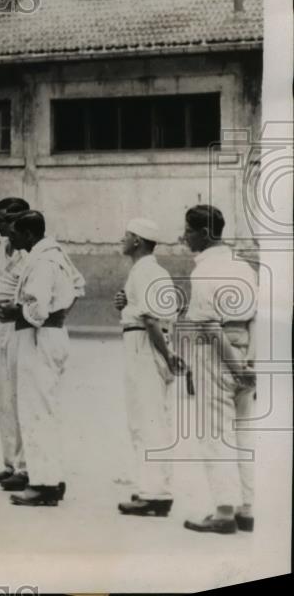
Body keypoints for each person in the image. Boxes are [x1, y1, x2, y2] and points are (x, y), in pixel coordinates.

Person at [0, 210, 85, 507]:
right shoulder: (56, 255)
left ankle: (42, 484)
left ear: (30, 234)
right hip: (51, 337)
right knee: (45, 410)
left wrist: (15, 312)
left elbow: (36, 310)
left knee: (35, 411)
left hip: (39, 338)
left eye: (16, 233)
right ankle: (51, 479)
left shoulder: (43, 261)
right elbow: (77, 286)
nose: (12, 237)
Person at [178, 205, 257, 535]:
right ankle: (246, 507)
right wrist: (249, 362)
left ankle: (224, 510)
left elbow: (209, 324)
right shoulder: (244, 267)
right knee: (244, 431)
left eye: (188, 231)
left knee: (216, 432)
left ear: (204, 234)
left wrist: (235, 366)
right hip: (245, 346)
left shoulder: (204, 272)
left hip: (216, 353)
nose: (184, 237)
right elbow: (257, 317)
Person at [113, 218, 182, 517]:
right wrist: (125, 303)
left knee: (148, 420)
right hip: (141, 342)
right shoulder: (145, 272)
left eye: (126, 235)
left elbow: (152, 319)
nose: (122, 239)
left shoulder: (147, 271)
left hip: (145, 345)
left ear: (138, 241)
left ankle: (154, 493)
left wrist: (166, 355)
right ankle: (151, 488)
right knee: (146, 419)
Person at [0, 197, 30, 493]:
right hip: (0, 326)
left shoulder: (33, 250)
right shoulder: (4, 248)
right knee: (1, 394)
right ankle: (10, 463)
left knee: (20, 395)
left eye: (1, 219)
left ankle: (26, 466)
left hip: (20, 326)